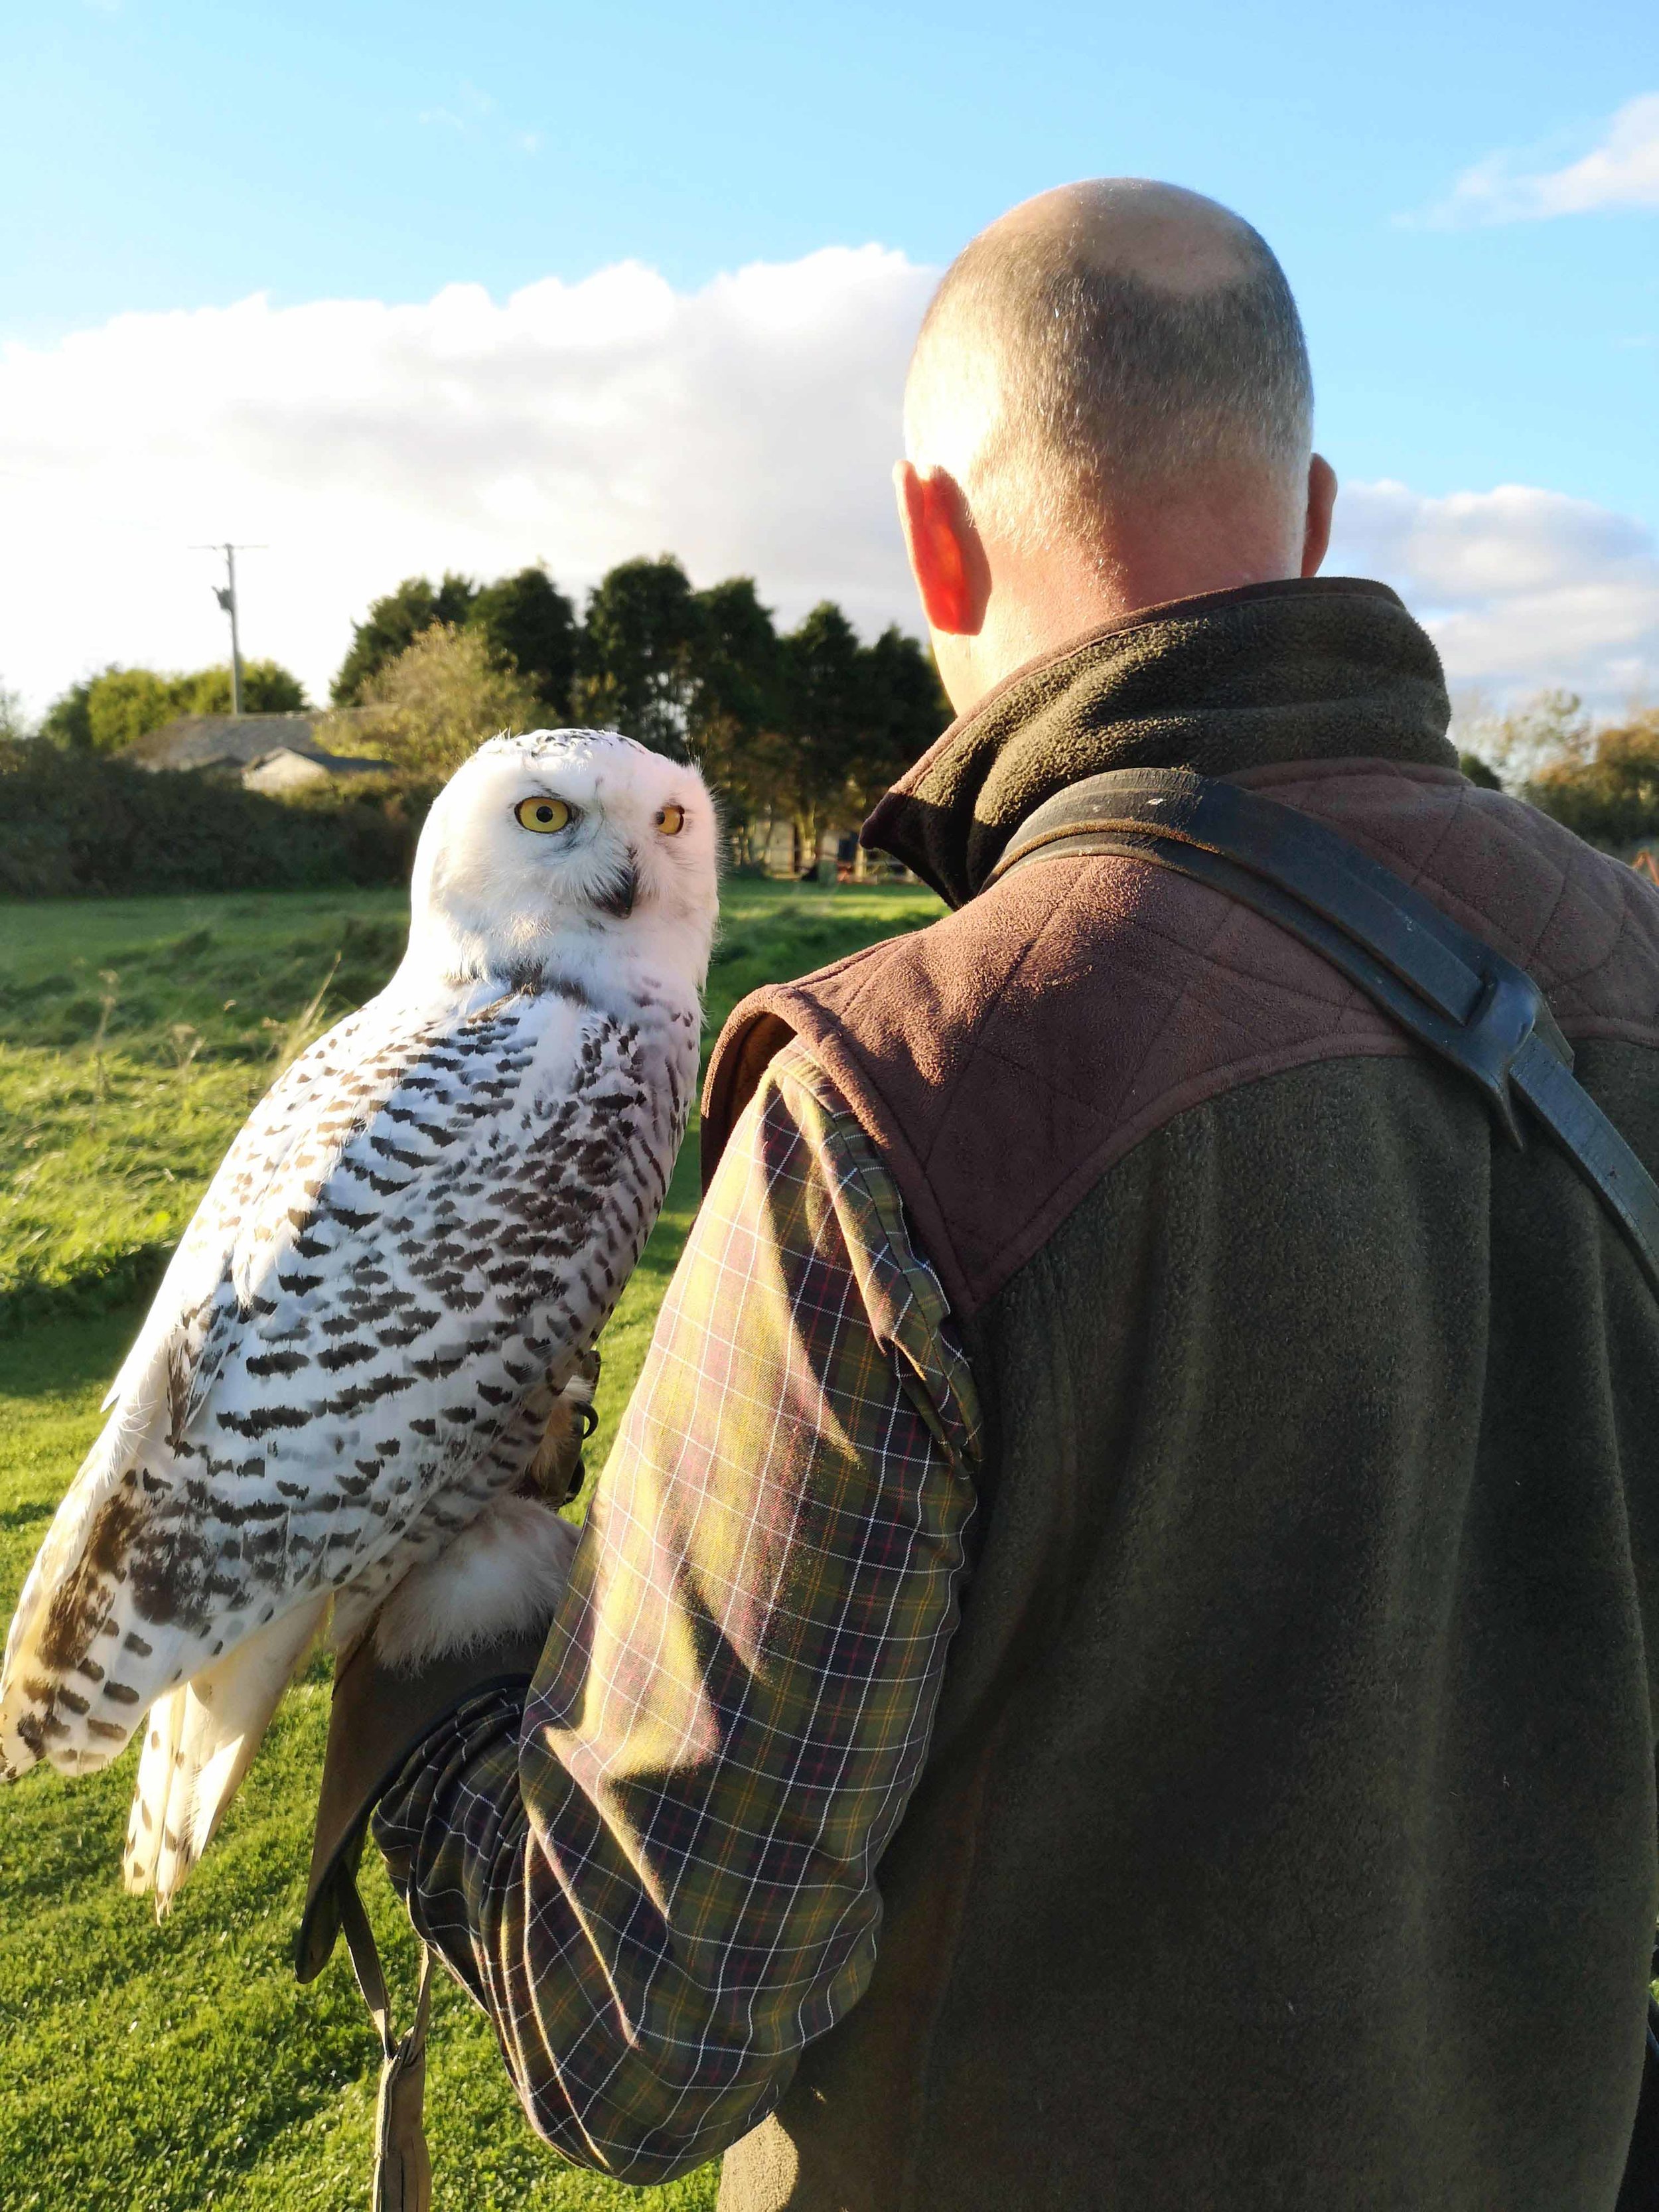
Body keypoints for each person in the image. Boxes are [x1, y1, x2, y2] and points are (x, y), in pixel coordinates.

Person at [312, 181, 1659, 2209]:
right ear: (1309, 519)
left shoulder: (909, 1092)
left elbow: (637, 2032)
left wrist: (412, 1645)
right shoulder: (1625, 968)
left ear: (931, 531)